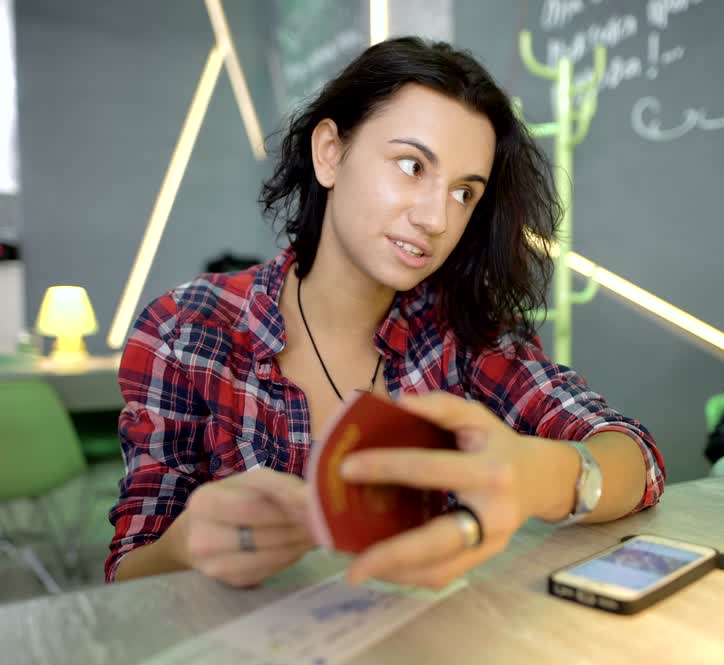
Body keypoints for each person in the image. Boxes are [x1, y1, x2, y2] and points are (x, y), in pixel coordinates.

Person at [108, 37, 665, 590]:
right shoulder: (187, 330)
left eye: (464, 193)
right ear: (330, 152)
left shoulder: (462, 334)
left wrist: (535, 476)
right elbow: (127, 570)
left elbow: (636, 459)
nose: (436, 219)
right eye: (411, 165)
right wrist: (187, 544)